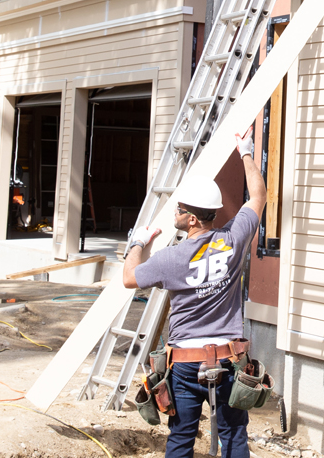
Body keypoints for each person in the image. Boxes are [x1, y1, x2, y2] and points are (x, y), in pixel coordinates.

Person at [123, 128, 266, 458]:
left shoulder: (170, 259)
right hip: (229, 359)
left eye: (178, 209)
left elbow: (129, 279)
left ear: (189, 219)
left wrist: (138, 243)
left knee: (182, 436)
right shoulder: (233, 238)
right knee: (233, 437)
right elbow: (258, 197)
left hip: (187, 365)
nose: (174, 213)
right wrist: (246, 151)